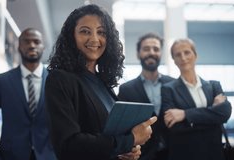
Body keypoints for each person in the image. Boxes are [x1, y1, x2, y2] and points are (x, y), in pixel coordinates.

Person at [45, 4, 157, 160]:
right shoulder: (60, 79)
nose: (94, 39)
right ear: (72, 36)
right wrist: (129, 140)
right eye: (85, 31)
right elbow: (69, 145)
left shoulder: (103, 83)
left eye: (101, 32)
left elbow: (106, 139)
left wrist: (125, 152)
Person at [0, 28, 57, 160]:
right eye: (26, 41)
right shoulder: (1, 82)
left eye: (36, 42)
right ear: (19, 46)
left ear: (43, 47)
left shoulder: (56, 81)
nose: (32, 45)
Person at [161, 38, 232, 160]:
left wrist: (185, 114)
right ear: (174, 61)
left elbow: (224, 113)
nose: (183, 58)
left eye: (187, 52)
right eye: (178, 54)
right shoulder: (168, 89)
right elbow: (174, 127)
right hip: (186, 155)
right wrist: (212, 117)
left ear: (195, 55)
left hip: (215, 155)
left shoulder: (214, 86)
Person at [118, 32, 174, 160]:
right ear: (138, 54)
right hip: (142, 155)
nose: (151, 52)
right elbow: (122, 127)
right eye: (146, 49)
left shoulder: (174, 84)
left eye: (156, 49)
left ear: (161, 53)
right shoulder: (126, 90)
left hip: (175, 153)